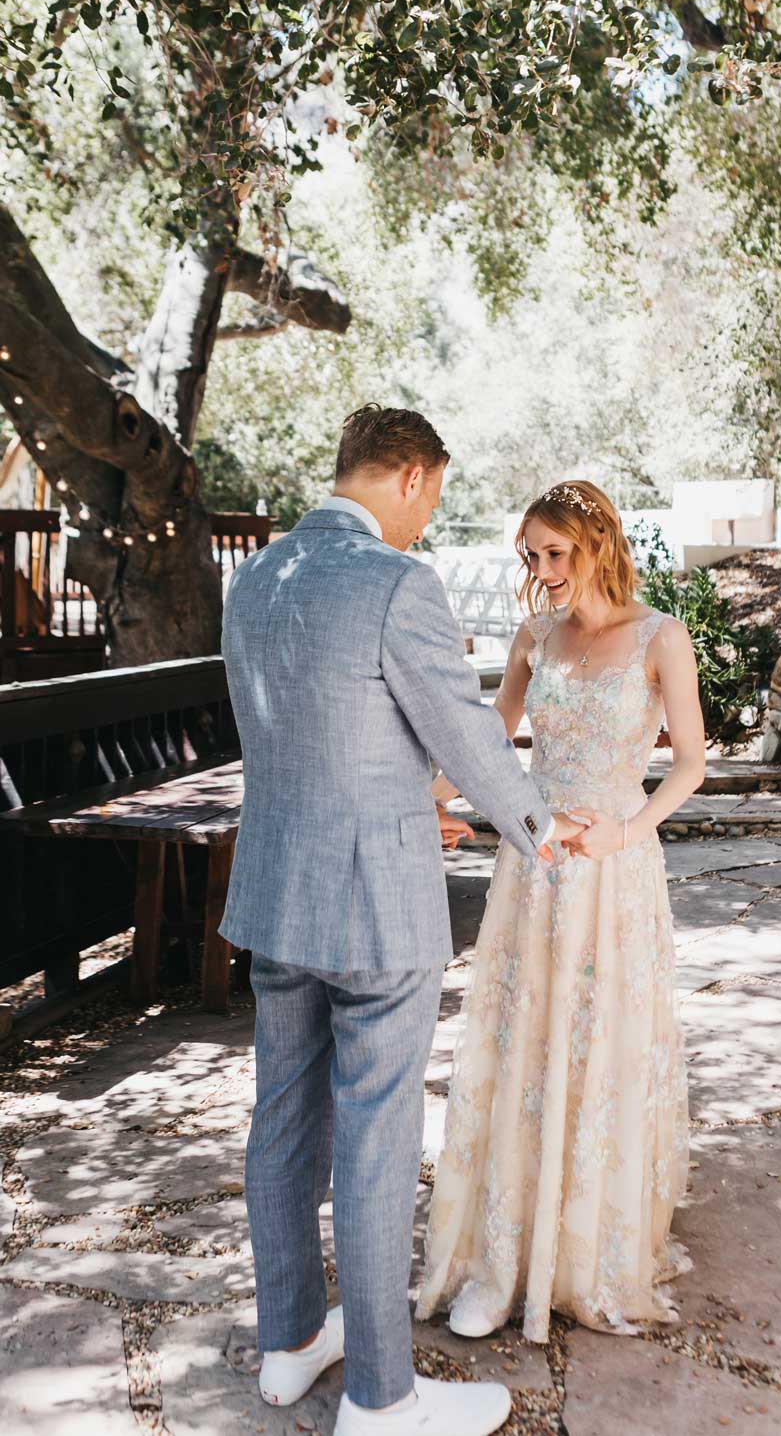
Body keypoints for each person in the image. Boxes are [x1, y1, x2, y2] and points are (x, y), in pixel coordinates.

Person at [219, 407, 586, 1436]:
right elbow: (462, 726)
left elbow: (307, 728)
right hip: (375, 911)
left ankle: (290, 1346)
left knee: (283, 1124)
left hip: (275, 900)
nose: (427, 522)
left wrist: (408, 792)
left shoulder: (253, 578)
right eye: (432, 499)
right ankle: (384, 1399)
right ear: (414, 478)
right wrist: (539, 826)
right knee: (375, 1143)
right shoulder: (394, 580)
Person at [416, 479, 706, 1343]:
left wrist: (629, 830)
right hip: (531, 863)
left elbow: (690, 762)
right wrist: (420, 799)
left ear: (599, 544)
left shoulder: (661, 636)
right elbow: (488, 738)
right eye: (532, 556)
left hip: (613, 869)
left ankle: (584, 1251)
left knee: (597, 1040)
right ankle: (499, 1253)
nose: (543, 572)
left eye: (557, 553)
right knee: (522, 1037)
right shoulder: (535, 636)